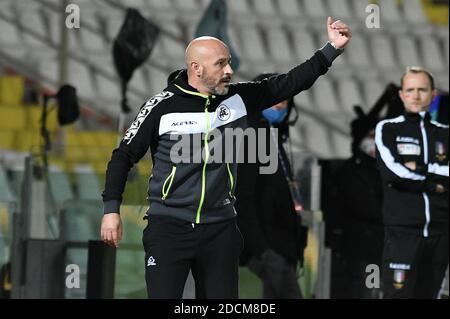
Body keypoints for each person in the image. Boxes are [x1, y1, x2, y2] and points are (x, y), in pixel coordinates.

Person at [101, 17, 351, 299]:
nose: (230, 70)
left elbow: (290, 83)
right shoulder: (161, 107)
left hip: (220, 230)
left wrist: (331, 49)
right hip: (169, 228)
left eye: (229, 61)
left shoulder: (238, 99)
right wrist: (112, 210)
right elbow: (123, 156)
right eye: (221, 63)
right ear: (196, 68)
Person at [375, 67, 449, 299]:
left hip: (440, 233)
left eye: (422, 90)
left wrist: (418, 168)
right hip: (402, 234)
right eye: (410, 90)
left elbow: (407, 173)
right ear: (401, 95)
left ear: (433, 94)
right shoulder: (387, 129)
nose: (416, 95)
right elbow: (394, 173)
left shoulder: (445, 133)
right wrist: (434, 182)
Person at [235, 73, 307, 299]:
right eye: (274, 99)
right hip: (269, 249)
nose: (280, 105)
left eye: (285, 101)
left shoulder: (274, 139)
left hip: (283, 247)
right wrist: (262, 250)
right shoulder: (250, 138)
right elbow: (243, 198)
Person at [333, 107, 384, 299]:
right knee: (366, 292)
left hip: (378, 249)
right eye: (371, 135)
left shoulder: (382, 170)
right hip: (362, 251)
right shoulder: (351, 172)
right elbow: (369, 209)